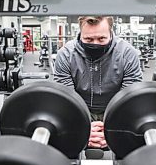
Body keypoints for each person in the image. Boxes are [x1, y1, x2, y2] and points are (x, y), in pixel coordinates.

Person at [54, 16, 143, 149]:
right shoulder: (65, 54)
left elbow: (128, 99)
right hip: (79, 110)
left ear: (111, 33)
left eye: (101, 39)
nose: (95, 43)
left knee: (132, 140)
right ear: (79, 33)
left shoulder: (127, 53)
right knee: (62, 136)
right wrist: (82, 129)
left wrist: (113, 130)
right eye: (88, 39)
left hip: (116, 110)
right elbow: (67, 100)